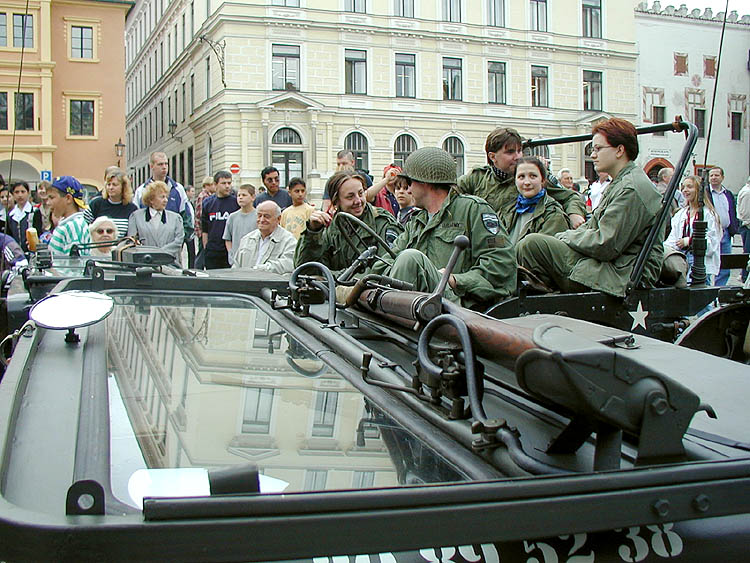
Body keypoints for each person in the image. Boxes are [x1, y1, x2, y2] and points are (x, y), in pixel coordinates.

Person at [517, 117, 663, 297]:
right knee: (530, 245)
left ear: (619, 150)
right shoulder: (622, 183)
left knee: (532, 245)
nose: (593, 154)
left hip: (619, 275)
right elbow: (594, 227)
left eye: (598, 149)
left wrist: (566, 237)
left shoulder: (631, 188)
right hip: (612, 268)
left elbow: (605, 243)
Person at [368, 147, 516, 309]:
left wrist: (454, 279)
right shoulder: (417, 221)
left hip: (459, 307)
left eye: (410, 183)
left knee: (410, 258)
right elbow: (386, 261)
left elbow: (500, 265)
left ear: (425, 183)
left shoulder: (473, 210)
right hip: (419, 305)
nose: (408, 190)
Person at [457, 127, 586, 228]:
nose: (518, 156)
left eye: (519, 151)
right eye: (510, 152)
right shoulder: (477, 178)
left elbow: (570, 196)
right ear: (492, 157)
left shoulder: (531, 180)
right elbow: (448, 193)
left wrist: (574, 214)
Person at [294, 171, 403, 272]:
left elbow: (385, 269)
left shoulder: (382, 223)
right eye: (350, 197)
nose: (358, 201)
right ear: (336, 202)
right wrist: (313, 233)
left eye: (361, 194)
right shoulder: (332, 228)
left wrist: (334, 278)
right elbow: (306, 270)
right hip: (335, 291)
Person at [500, 156, 570, 246]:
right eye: (521, 177)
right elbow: (495, 242)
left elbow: (543, 252)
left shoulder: (553, 214)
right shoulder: (507, 210)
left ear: (543, 180)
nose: (527, 182)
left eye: (533, 176)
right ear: (515, 181)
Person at [665, 176, 721, 284]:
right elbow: (673, 238)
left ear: (698, 190)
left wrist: (689, 241)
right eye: (683, 187)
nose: (685, 190)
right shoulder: (681, 214)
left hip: (700, 264)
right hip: (682, 262)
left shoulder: (708, 215)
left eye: (689, 187)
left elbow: (712, 243)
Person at [134, 151, 193, 252]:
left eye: (166, 163)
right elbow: (136, 218)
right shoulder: (141, 191)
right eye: (160, 164)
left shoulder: (178, 189)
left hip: (172, 246)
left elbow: (186, 216)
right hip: (148, 245)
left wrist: (181, 238)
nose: (164, 167)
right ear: (151, 166)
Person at [127, 181, 184, 264]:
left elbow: (179, 241)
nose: (166, 200)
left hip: (170, 264)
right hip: (145, 264)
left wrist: (160, 253)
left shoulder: (176, 218)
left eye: (166, 197)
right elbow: (132, 241)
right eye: (162, 197)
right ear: (151, 200)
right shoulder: (136, 217)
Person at [233, 201, 297, 274]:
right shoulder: (247, 239)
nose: (262, 220)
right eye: (259, 216)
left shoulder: (289, 241)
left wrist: (259, 269)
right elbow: (236, 266)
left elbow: (288, 265)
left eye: (267, 216)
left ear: (278, 219)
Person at [705, 167, 739, 286]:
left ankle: (720, 289)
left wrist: (733, 229)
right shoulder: (705, 193)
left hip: (725, 233)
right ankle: (708, 290)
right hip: (711, 233)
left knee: (725, 263)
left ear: (722, 177)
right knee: (708, 263)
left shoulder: (727, 194)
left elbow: (732, 211)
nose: (713, 178)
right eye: (711, 175)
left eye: (716, 175)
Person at [201, 170, 240, 269]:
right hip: (213, 251)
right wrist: (206, 248)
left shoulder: (236, 202)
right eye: (223, 183)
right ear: (215, 184)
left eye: (229, 183)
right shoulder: (207, 203)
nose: (227, 186)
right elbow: (205, 229)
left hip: (230, 250)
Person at [84, 168, 137, 238]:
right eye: (109, 184)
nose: (111, 187)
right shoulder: (96, 204)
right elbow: (84, 228)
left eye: (115, 185)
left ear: (123, 187)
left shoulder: (132, 209)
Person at [46, 176, 92, 256]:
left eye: (52, 198)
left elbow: (73, 265)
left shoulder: (74, 227)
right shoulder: (68, 224)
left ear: (68, 198)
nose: (48, 203)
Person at [223, 184, 257, 266]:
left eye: (244, 195)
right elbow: (227, 238)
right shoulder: (232, 217)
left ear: (253, 197)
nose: (240, 197)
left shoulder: (258, 216)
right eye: (238, 195)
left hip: (253, 259)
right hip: (236, 260)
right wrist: (231, 253)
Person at [8, 181, 43, 252]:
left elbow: (39, 233)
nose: (20, 195)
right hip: (15, 252)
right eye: (17, 192)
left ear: (28, 193)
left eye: (23, 192)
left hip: (31, 252)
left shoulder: (34, 211)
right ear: (13, 195)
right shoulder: (10, 215)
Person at [194, 175, 216, 269]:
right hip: (202, 230)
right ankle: (197, 269)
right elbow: (200, 215)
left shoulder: (208, 196)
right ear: (208, 185)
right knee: (202, 252)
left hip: (203, 230)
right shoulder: (203, 196)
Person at [737, 175, 750, 282]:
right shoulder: (747, 193)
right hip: (748, 227)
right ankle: (745, 276)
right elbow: (746, 214)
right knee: (748, 253)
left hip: (746, 226)